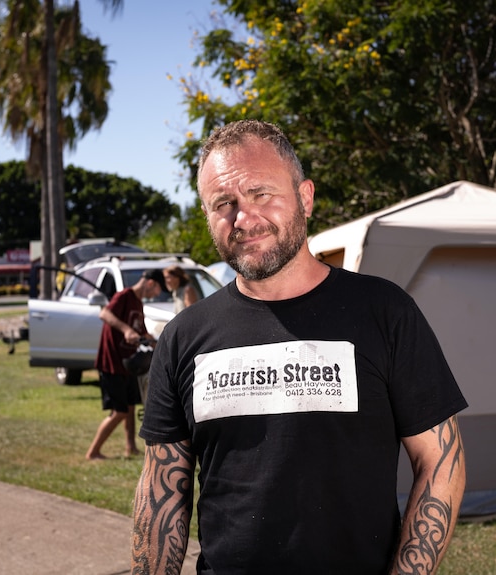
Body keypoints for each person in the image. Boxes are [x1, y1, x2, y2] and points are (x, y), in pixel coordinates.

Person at [132, 120, 467, 574]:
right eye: (223, 204)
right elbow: (162, 495)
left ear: (305, 197)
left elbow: (440, 461)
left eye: (261, 194)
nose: (243, 219)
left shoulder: (384, 312)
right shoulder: (183, 337)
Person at [85, 269, 162, 460]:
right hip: (111, 361)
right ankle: (93, 452)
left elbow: (143, 333)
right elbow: (105, 314)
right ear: (151, 283)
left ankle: (130, 448)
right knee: (119, 411)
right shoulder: (124, 296)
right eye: (157, 291)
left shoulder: (138, 303)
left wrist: (161, 344)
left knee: (129, 407)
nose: (155, 296)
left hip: (128, 364)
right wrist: (126, 330)